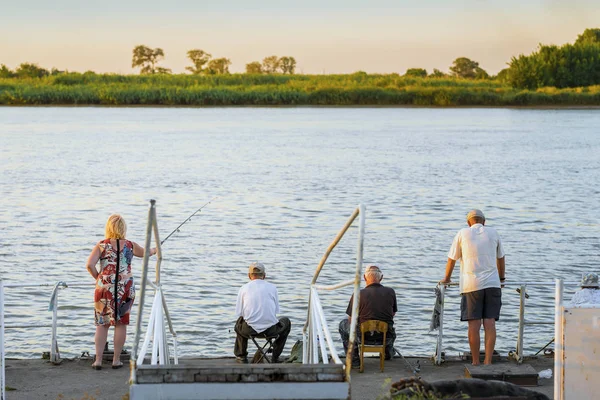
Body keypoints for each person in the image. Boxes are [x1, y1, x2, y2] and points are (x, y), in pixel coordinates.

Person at [85, 214, 156, 370]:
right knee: (120, 324)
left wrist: (99, 279)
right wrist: (155, 249)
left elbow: (89, 265)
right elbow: (146, 253)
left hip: (104, 287)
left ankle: (98, 361)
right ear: (123, 228)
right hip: (125, 288)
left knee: (102, 324)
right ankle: (116, 360)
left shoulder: (101, 245)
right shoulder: (130, 245)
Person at [440, 209, 505, 365]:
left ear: (468, 222)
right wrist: (501, 279)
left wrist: (447, 279)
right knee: (490, 323)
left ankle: (475, 361)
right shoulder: (493, 232)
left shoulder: (462, 233)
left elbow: (451, 259)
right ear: (484, 221)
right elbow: (501, 258)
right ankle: (488, 361)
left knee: (474, 325)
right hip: (493, 284)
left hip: (471, 285)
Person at [339, 265, 397, 367]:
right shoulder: (390, 292)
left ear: (365, 278)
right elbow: (392, 314)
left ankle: (355, 360)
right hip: (385, 336)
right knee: (388, 324)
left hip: (362, 336)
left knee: (343, 324)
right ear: (381, 277)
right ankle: (388, 352)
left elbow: (351, 320)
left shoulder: (358, 294)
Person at [234, 262, 291, 364]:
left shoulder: (243, 288)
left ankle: (241, 356)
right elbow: (276, 311)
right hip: (270, 330)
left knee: (239, 324)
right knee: (286, 322)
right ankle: (275, 356)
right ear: (264, 276)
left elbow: (240, 312)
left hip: (250, 331)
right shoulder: (273, 288)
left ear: (249, 276)